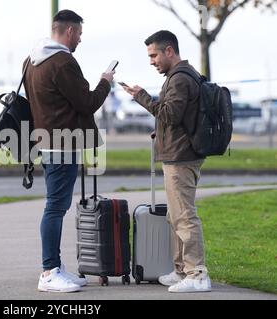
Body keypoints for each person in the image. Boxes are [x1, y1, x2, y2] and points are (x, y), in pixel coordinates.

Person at [23, 9, 114, 293]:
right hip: (63, 143)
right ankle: (49, 272)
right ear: (70, 32)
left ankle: (56, 268)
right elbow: (86, 103)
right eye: (80, 35)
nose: (80, 40)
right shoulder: (63, 62)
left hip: (45, 141)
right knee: (55, 207)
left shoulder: (30, 60)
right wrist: (106, 82)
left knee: (56, 206)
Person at [121, 30, 211, 293]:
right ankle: (182, 270)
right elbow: (179, 117)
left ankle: (197, 273)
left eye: (154, 55)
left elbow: (170, 114)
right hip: (180, 153)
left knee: (184, 216)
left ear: (169, 50)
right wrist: (159, 130)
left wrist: (142, 97)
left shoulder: (180, 78)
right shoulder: (183, 75)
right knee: (175, 215)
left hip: (181, 157)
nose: (152, 61)